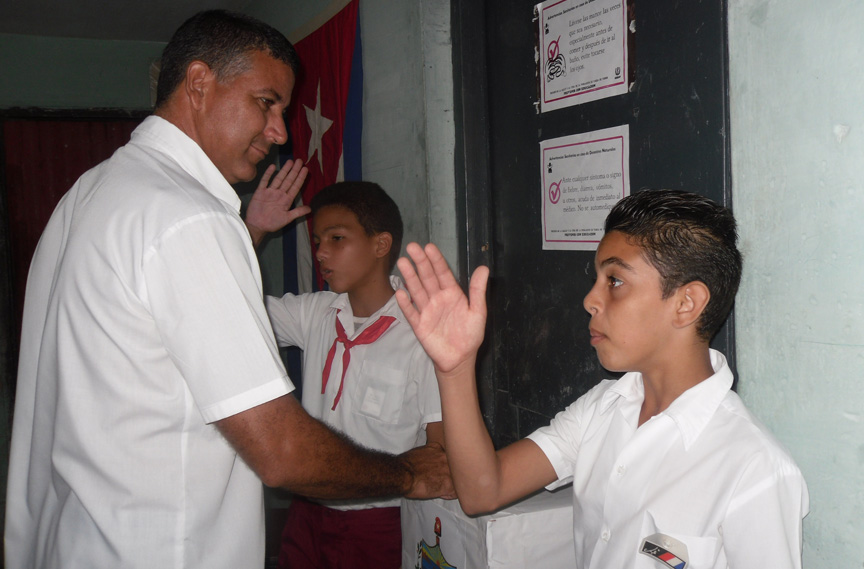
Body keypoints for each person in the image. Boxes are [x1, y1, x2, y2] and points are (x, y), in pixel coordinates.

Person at [5, 10, 451, 569]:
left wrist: (250, 230)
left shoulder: (90, 194)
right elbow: (282, 451)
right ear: (199, 83)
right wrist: (409, 473)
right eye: (266, 102)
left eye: (285, 112)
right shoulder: (188, 218)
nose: (281, 132)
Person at [395, 189, 810, 568]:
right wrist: (455, 370)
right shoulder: (604, 406)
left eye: (614, 281)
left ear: (686, 303)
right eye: (597, 279)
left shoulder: (753, 469)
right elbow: (483, 490)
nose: (590, 299)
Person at [248, 181, 443, 568]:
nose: (320, 253)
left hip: (381, 521)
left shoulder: (424, 332)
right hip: (308, 510)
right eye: (318, 240)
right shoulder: (317, 313)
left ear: (380, 245)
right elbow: (230, 306)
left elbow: (439, 452)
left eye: (337, 238)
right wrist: (252, 233)